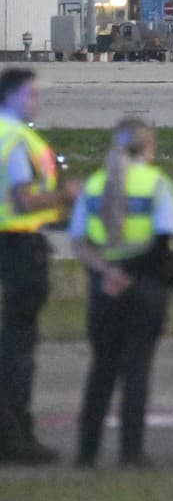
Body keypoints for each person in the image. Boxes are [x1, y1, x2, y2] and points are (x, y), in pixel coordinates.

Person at [68, 119, 173, 468]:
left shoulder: (95, 185)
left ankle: (87, 451)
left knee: (101, 368)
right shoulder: (156, 184)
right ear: (148, 147)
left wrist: (108, 272)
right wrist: (131, 274)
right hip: (145, 285)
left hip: (104, 287)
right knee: (137, 370)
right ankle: (131, 452)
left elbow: (78, 240)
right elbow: (163, 239)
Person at [0, 69, 79, 465]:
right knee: (17, 344)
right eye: (30, 94)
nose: (37, 100)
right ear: (12, 96)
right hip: (16, 243)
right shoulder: (15, 140)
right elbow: (23, 200)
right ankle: (14, 437)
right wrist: (64, 194)